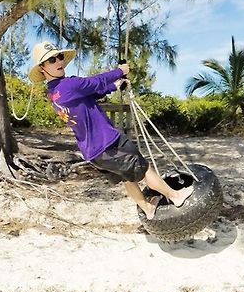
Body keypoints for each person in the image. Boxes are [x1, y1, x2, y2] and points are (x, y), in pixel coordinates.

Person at [28, 41, 193, 219]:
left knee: (127, 177)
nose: (58, 61)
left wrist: (115, 86)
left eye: (59, 57)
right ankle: (175, 196)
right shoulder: (68, 85)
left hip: (93, 153)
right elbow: (95, 82)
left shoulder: (53, 93)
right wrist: (120, 71)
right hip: (108, 143)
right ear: (42, 69)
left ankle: (147, 208)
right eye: (51, 60)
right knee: (144, 169)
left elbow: (92, 92)